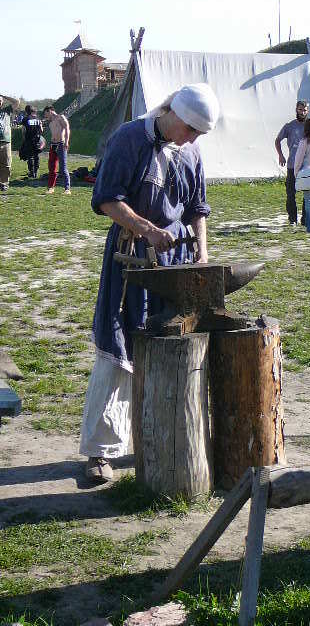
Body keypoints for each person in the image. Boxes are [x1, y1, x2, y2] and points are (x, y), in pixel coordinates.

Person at [79, 83, 220, 483]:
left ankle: (159, 442)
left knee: (167, 347)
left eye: (198, 135)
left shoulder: (190, 151)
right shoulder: (129, 138)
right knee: (118, 348)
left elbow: (197, 209)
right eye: (190, 130)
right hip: (131, 260)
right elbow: (107, 199)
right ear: (172, 113)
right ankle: (99, 452)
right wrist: (147, 229)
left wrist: (203, 254)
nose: (192, 139)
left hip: (173, 262)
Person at [275, 100, 309, 225]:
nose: (302, 112)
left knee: (307, 193)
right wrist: (281, 155)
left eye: (305, 110)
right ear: (296, 110)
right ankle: (292, 219)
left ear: (308, 111)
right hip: (292, 165)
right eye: (300, 109)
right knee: (290, 194)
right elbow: (277, 140)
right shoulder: (289, 126)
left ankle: (305, 219)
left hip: (306, 166)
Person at [43, 106, 71, 195]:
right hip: (53, 145)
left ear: (50, 111)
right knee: (52, 167)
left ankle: (67, 189)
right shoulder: (50, 122)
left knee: (63, 167)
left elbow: (67, 129)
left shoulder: (60, 117)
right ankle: (51, 187)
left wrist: (66, 142)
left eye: (46, 113)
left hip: (61, 144)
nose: (45, 115)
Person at [0, 94, 20, 192]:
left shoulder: (7, 110)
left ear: (2, 102)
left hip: (6, 141)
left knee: (6, 163)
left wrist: (3, 95)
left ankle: (4, 183)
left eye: (0, 100)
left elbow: (17, 101)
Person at [21, 105, 44, 179]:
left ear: (26, 111)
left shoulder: (25, 119)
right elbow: (41, 130)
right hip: (37, 140)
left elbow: (23, 130)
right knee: (36, 156)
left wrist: (24, 139)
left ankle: (31, 172)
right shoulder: (38, 119)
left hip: (28, 139)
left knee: (30, 157)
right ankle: (36, 172)